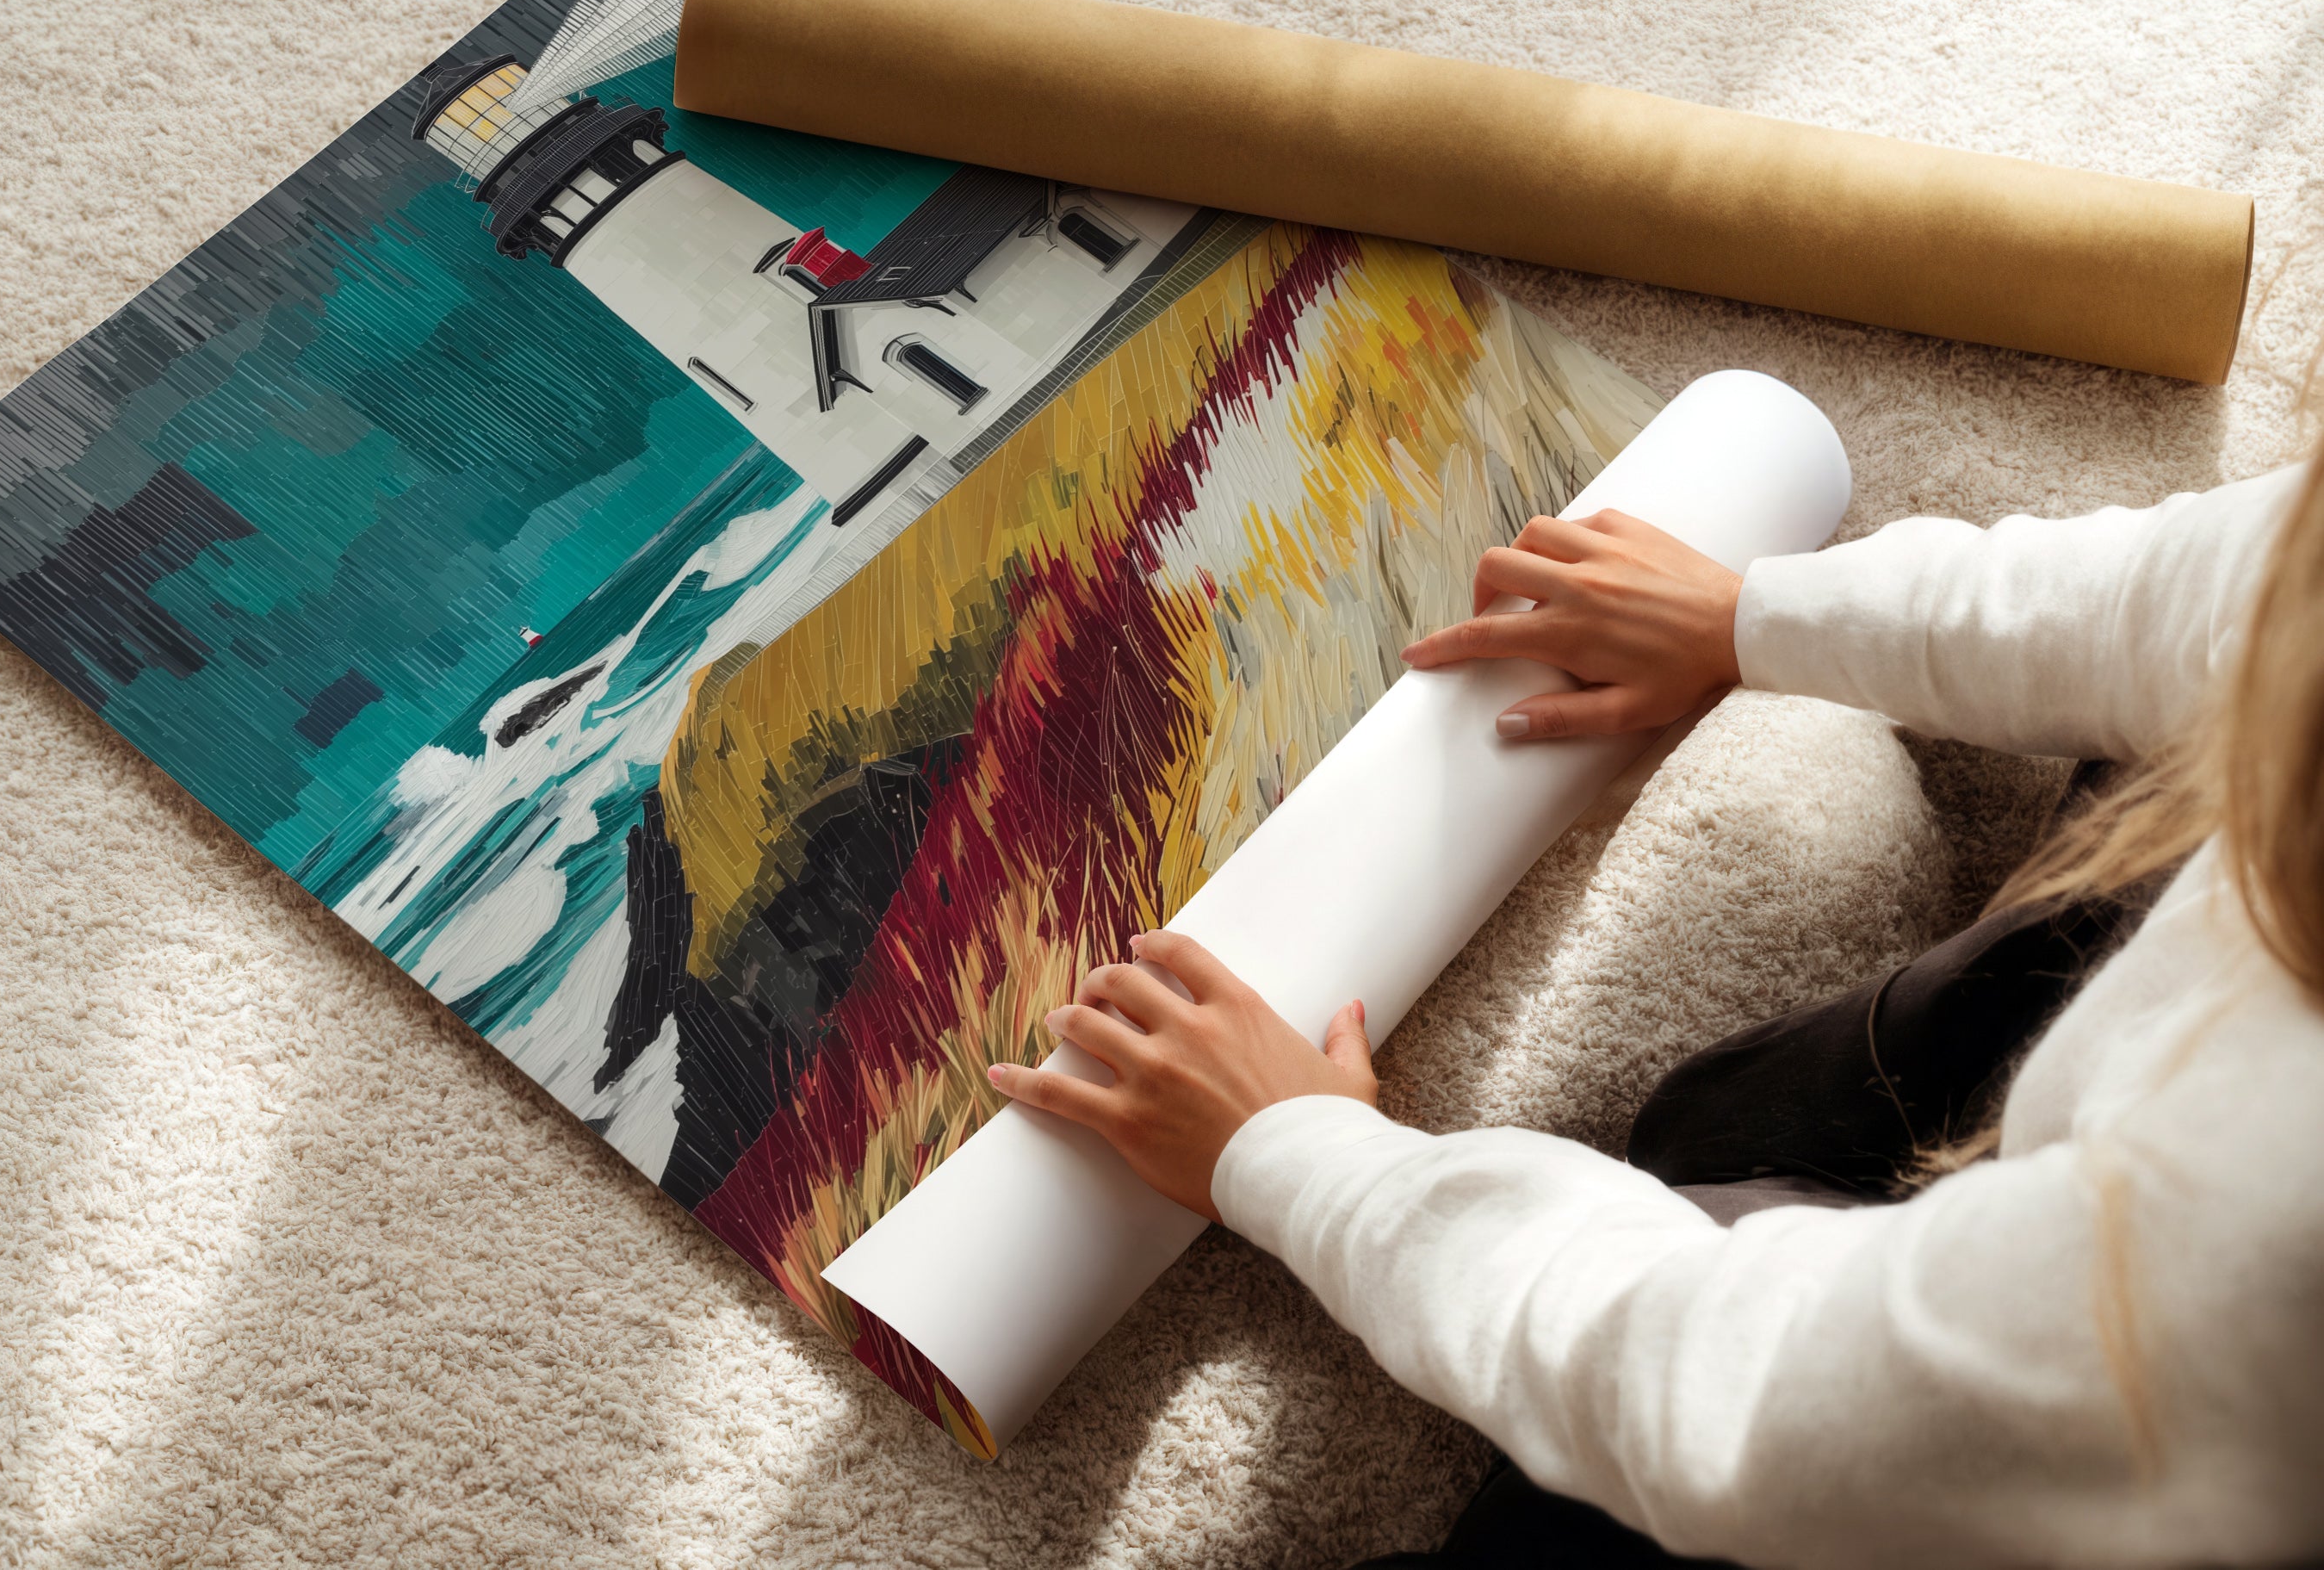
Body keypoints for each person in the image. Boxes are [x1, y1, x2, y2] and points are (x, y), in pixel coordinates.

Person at [988, 456, 2324, 1567]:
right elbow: (2217, 587)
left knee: (1584, 1511)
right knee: (1716, 1124)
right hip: (2158, 1190)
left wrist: (1302, 1157)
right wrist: (1750, 615)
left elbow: (1744, 1398)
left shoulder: (2261, 1237)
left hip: (2147, 1442)